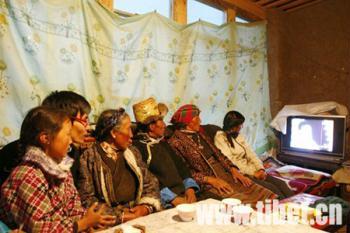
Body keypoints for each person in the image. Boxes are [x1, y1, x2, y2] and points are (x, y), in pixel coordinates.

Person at [0, 106, 115, 232]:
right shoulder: (27, 176)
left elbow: (74, 209)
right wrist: (82, 224)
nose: (71, 140)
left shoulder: (60, 168)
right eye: (67, 134)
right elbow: (40, 228)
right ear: (45, 138)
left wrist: (89, 223)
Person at [168, 104, 277, 205]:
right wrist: (211, 180)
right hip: (208, 179)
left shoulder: (201, 134)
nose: (200, 120)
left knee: (262, 192)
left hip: (224, 171)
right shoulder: (176, 142)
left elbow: (219, 154)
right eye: (197, 118)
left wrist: (234, 170)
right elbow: (183, 173)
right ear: (187, 122)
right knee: (241, 202)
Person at [77, 108, 161, 225]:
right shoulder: (89, 157)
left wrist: (145, 208)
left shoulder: (133, 152)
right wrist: (120, 216)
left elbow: (150, 182)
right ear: (114, 133)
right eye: (128, 129)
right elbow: (87, 199)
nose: (132, 135)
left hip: (138, 215)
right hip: (108, 222)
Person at [0, 91, 91, 186]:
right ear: (64, 120)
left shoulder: (71, 153)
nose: (88, 127)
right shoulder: (14, 156)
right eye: (85, 120)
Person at [132, 98, 200, 208]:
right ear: (152, 126)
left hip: (183, 195)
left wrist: (190, 188)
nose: (164, 125)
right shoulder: (139, 148)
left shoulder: (162, 143)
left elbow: (181, 166)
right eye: (161, 121)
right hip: (165, 201)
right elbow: (148, 179)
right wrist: (173, 198)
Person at [214, 111, 294, 199]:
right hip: (242, 173)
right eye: (240, 125)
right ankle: (285, 208)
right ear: (233, 126)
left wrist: (261, 169)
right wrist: (253, 173)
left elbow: (251, 154)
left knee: (282, 184)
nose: (241, 127)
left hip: (254, 170)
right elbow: (231, 162)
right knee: (272, 189)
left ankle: (297, 205)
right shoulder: (221, 138)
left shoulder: (238, 136)